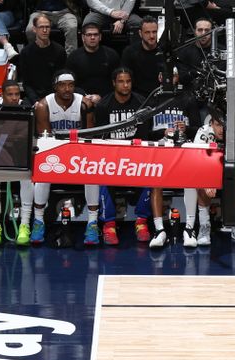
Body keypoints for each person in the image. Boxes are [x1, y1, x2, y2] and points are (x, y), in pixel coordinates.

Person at [31, 70, 99, 246]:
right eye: (63, 85)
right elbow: (46, 140)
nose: (67, 89)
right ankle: (38, 221)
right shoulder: (43, 106)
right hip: (54, 153)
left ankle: (92, 223)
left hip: (78, 153)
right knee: (42, 173)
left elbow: (88, 138)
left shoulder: (84, 104)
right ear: (55, 87)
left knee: (93, 173)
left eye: (71, 85)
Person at [177, 110, 235, 248]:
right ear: (211, 124)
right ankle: (204, 226)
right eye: (218, 125)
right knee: (199, 180)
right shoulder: (204, 131)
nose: (222, 129)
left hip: (230, 171)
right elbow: (197, 161)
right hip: (210, 169)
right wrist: (208, 181)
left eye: (225, 125)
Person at [93, 67, 150, 246]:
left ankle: (141, 222)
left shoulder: (141, 104)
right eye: (121, 81)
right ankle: (109, 224)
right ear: (113, 83)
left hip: (135, 156)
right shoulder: (103, 106)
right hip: (111, 156)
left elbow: (144, 137)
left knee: (151, 171)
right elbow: (99, 138)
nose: (125, 85)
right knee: (102, 175)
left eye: (128, 81)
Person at [0, 80, 26, 246]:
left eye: (17, 94)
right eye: (10, 94)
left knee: (30, 183)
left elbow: (24, 138)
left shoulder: (27, 109)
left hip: (22, 160)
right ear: (2, 95)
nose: (14, 98)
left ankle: (25, 225)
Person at [18, 13, 67, 106]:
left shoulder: (59, 50)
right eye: (41, 27)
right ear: (34, 29)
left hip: (54, 96)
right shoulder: (26, 52)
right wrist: (35, 101)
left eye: (47, 27)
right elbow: (26, 83)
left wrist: (50, 99)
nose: (45, 30)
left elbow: (60, 80)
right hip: (33, 96)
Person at [66, 22, 121, 98]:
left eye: (95, 34)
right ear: (83, 37)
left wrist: (101, 97)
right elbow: (70, 83)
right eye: (89, 35)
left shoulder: (111, 55)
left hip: (107, 98)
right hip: (81, 99)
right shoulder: (73, 57)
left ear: (100, 37)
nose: (92, 37)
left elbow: (118, 81)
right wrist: (84, 97)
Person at [120, 16, 163, 97]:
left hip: (160, 96)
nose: (151, 36)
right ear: (140, 33)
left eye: (154, 32)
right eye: (147, 32)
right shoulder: (130, 52)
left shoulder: (165, 51)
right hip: (137, 97)